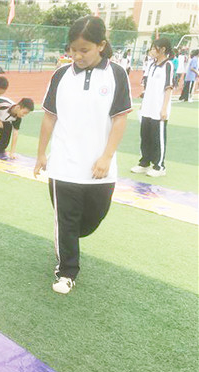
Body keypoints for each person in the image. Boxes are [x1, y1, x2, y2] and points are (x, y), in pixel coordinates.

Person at [34, 15, 131, 295]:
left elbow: (120, 119)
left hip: (100, 169)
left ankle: (67, 242)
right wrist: (41, 154)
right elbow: (49, 117)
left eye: (84, 50)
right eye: (72, 49)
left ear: (101, 45)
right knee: (66, 220)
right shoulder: (60, 76)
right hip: (63, 166)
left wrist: (106, 157)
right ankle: (66, 272)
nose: (76, 55)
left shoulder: (117, 74)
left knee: (89, 222)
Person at [131, 38, 174, 178]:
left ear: (162, 49)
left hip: (158, 109)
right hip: (147, 108)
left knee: (157, 138)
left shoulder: (168, 65)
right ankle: (144, 162)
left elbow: (168, 88)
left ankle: (159, 166)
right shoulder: (152, 65)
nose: (151, 51)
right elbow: (148, 86)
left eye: (154, 48)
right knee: (145, 136)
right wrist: (143, 103)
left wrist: (164, 108)